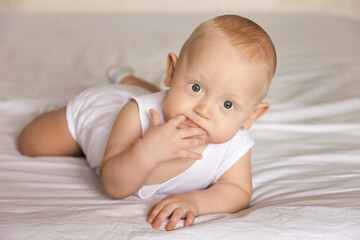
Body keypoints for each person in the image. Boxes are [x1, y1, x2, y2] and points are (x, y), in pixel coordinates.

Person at [18, 14, 277, 231]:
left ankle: (130, 80)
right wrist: (147, 152)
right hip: (95, 113)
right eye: (196, 87)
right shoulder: (136, 114)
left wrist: (196, 202)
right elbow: (113, 185)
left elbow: (238, 191)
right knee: (30, 143)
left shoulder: (235, 145)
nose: (203, 110)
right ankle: (60, 111)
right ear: (172, 72)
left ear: (252, 115)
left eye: (228, 104)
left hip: (157, 97)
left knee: (172, 98)